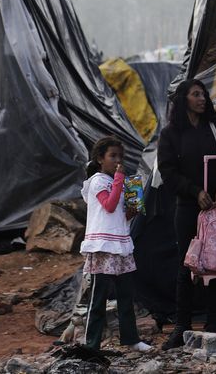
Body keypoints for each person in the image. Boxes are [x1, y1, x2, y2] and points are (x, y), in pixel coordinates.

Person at [157, 79, 216, 350]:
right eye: (196, 94)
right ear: (183, 98)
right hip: (188, 209)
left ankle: (213, 327)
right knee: (187, 266)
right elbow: (168, 171)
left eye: (204, 94)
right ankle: (182, 328)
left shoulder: (215, 127)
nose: (202, 98)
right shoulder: (171, 133)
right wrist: (194, 191)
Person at [80, 136, 152, 353]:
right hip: (102, 247)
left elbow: (121, 216)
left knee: (125, 296)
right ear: (100, 158)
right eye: (113, 156)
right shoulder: (98, 181)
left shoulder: (118, 182)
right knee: (98, 298)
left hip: (120, 245)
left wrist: (133, 208)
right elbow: (109, 206)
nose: (118, 160)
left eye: (120, 156)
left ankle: (131, 339)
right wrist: (120, 177)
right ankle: (91, 344)